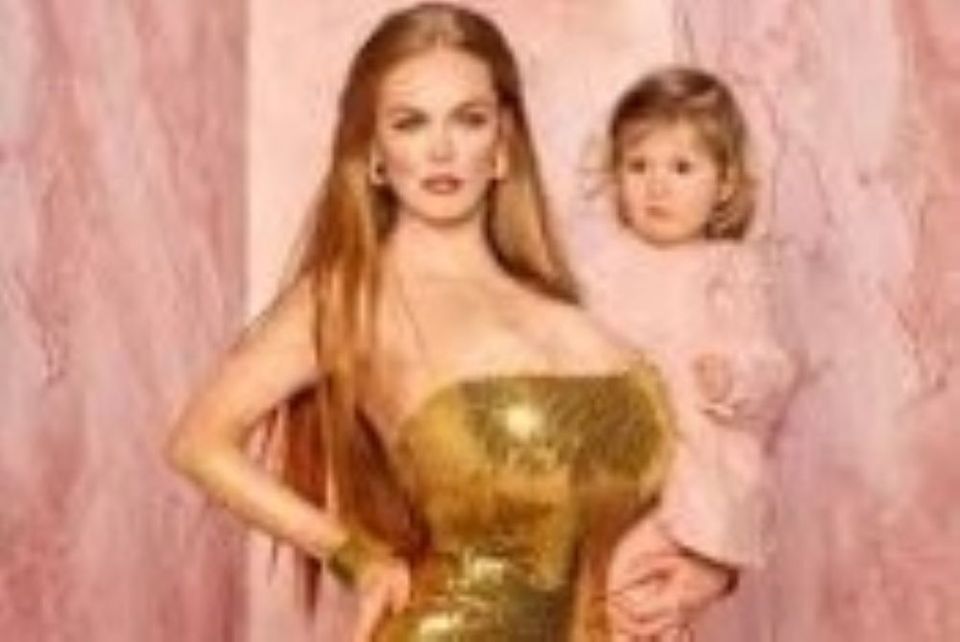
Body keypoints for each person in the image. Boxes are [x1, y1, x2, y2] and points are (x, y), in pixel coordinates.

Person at [167, 4, 688, 640]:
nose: (441, 149)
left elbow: (686, 479)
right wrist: (353, 556)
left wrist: (703, 571)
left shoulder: (570, 306)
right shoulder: (350, 297)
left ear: (503, 145)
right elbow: (198, 441)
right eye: (410, 123)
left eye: (469, 120)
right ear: (375, 153)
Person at [585, 66, 797, 640]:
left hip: (693, 473)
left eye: (681, 168)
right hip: (614, 466)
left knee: (640, 593)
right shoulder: (604, 265)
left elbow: (772, 368)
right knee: (605, 592)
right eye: (638, 167)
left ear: (724, 183)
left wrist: (732, 377)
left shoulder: (728, 270)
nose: (656, 186)